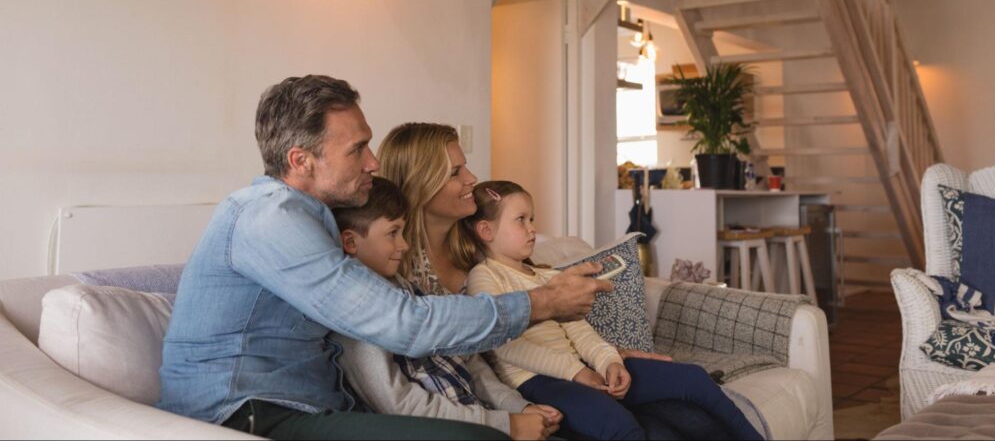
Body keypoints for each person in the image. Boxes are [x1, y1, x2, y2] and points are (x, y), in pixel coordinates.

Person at [157, 76, 610, 440]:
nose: (373, 162)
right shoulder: (270, 218)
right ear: (301, 160)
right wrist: (542, 302)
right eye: (357, 148)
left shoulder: (320, 222)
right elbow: (404, 325)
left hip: (307, 407)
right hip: (242, 415)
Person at [378, 122, 744, 440]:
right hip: (530, 388)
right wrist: (518, 409)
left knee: (688, 418)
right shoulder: (401, 272)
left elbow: (563, 322)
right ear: (421, 183)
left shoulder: (481, 248)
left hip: (570, 374)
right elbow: (485, 358)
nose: (470, 179)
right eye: (455, 171)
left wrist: (610, 355)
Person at [464, 180, 765, 441]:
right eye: (521, 220)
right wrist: (577, 372)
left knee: (695, 380)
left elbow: (578, 328)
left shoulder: (545, 276)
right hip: (537, 381)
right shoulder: (485, 276)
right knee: (621, 426)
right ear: (486, 230)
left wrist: (608, 362)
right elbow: (505, 346)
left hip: (582, 366)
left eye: (532, 218)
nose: (532, 228)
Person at [331, 176, 562, 440]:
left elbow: (467, 359)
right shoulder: (353, 312)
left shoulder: (404, 286)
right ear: (350, 242)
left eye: (403, 232)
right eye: (393, 233)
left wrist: (517, 407)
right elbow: (399, 403)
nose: (404, 245)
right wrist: (504, 424)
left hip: (483, 417)